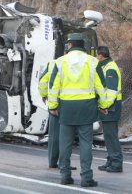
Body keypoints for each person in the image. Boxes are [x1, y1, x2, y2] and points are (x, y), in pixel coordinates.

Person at [48, 33, 112, 187]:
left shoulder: (60, 62)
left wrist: (53, 107)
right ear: (82, 45)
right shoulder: (93, 62)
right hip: (86, 108)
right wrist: (104, 106)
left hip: (67, 108)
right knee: (85, 143)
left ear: (69, 45)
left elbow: (53, 87)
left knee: (65, 144)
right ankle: (86, 178)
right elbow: (101, 87)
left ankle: (65, 175)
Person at [96, 46, 123, 173]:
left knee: (111, 136)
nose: (96, 58)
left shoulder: (110, 68)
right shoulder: (107, 67)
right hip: (110, 106)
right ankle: (111, 160)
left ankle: (116, 163)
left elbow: (111, 91)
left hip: (111, 107)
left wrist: (105, 106)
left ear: (101, 56)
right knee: (108, 136)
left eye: (97, 56)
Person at [38, 59, 59, 168]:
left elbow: (42, 81)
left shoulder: (53, 63)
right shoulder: (87, 62)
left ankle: (53, 161)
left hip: (56, 104)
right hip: (79, 104)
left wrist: (44, 94)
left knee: (55, 134)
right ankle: (65, 162)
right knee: (68, 136)